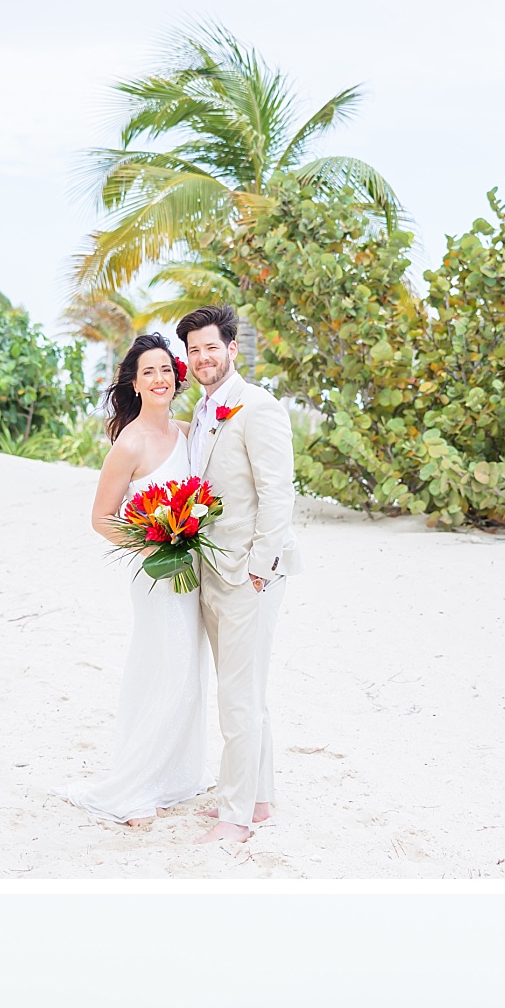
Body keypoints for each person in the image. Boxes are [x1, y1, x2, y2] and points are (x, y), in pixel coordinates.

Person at [176, 306, 299, 846]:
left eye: (211, 347)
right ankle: (260, 800)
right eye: (194, 350)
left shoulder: (258, 407)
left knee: (238, 700)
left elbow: (279, 493)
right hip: (213, 570)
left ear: (231, 348)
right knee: (246, 691)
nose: (203, 358)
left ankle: (236, 818)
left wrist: (258, 570)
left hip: (248, 576)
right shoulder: (204, 411)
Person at [74, 334, 209, 826]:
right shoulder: (128, 442)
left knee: (188, 673)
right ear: (134, 382)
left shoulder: (188, 431)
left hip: (192, 569)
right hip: (154, 571)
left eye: (166, 371)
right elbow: (101, 517)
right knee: (163, 666)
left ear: (177, 378)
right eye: (148, 372)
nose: (159, 379)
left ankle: (172, 775)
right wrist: (152, 541)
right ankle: (136, 785)